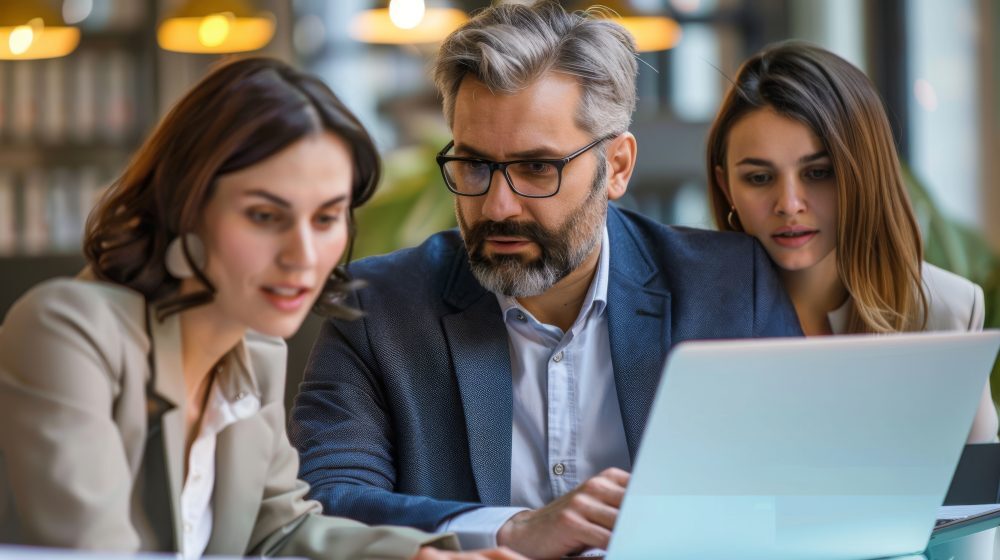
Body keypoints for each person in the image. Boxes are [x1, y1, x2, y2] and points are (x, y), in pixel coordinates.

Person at [288, 2, 802, 558]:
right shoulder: (379, 308)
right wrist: (513, 529)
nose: (498, 205)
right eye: (475, 164)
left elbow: (800, 490)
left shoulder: (729, 287)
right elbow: (326, 502)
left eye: (539, 167)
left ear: (618, 167)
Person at [0, 57, 522, 560]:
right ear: (185, 206)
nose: (302, 256)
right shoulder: (67, 330)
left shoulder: (255, 351)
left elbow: (280, 533)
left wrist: (420, 557)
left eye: (325, 219)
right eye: (265, 215)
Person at [706, 41, 998, 442]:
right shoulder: (691, 310)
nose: (789, 205)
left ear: (865, 175)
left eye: (818, 173)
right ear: (726, 187)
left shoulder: (946, 310)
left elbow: (977, 496)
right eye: (759, 178)